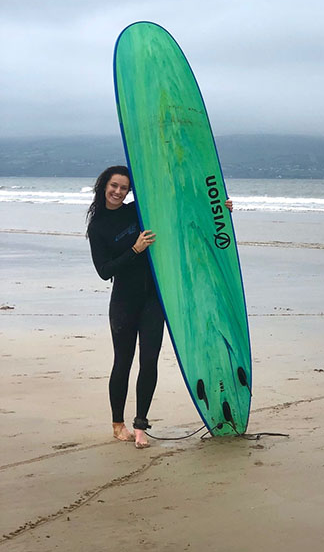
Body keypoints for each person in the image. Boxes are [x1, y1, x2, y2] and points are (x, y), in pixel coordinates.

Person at [87, 165, 232, 449]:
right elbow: (104, 271)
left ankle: (140, 426)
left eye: (124, 188)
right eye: (114, 186)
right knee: (123, 362)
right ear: (104, 185)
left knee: (149, 361)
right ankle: (118, 424)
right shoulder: (98, 226)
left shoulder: (136, 212)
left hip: (154, 298)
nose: (118, 192)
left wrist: (217, 207)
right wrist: (135, 250)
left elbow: (176, 207)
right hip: (124, 301)